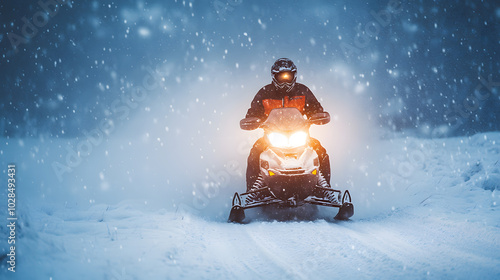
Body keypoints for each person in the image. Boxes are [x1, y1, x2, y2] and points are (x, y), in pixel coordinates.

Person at [243, 58, 332, 197]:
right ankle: (252, 193)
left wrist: (318, 116)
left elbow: (316, 109)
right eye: (281, 77)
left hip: (301, 136)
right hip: (271, 138)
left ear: (294, 76)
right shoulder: (265, 93)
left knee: (320, 151)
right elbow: (252, 113)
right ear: (274, 76)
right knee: (255, 153)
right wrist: (253, 121)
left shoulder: (303, 91)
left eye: (288, 77)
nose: (284, 81)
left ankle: (324, 190)